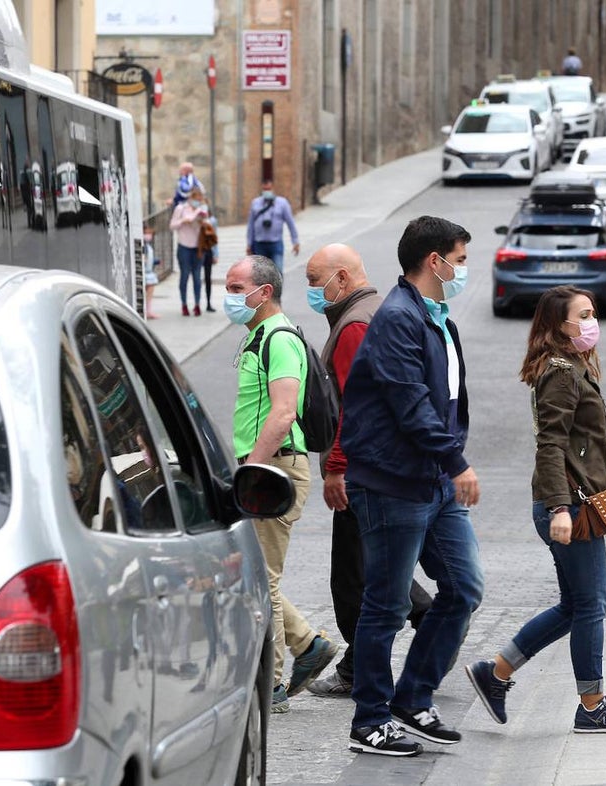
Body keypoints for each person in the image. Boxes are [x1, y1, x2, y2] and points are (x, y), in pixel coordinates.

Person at [465, 285, 606, 734]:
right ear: (560, 324)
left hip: (573, 503)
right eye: (585, 315)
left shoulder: (573, 366)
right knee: (592, 604)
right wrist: (559, 507)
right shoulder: (560, 372)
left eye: (593, 314)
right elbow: (552, 444)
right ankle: (592, 705)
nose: (593, 323)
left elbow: (595, 443)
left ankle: (494, 673)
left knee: (576, 606)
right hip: (570, 507)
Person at [339, 216, 484, 758]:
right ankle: (370, 719)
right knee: (386, 604)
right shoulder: (399, 317)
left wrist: (448, 463)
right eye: (460, 259)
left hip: (433, 480)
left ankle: (411, 698)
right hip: (394, 482)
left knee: (464, 587)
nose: (463, 269)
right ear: (434, 261)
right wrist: (457, 461)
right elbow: (410, 403)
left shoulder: (436, 316)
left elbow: (447, 399)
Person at [302, 244, 433, 700]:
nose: (312, 290)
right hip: (383, 466)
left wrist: (337, 467)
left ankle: (361, 670)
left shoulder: (356, 323)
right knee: (378, 565)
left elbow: (353, 406)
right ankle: (428, 625)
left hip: (363, 470)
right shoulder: (372, 311)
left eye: (315, 280)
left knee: (355, 577)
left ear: (341, 278)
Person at [225, 255, 339, 714]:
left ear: (264, 292)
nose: (230, 297)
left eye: (236, 288)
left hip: (274, 470)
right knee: (257, 573)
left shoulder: (280, 340)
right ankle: (307, 645)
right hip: (266, 465)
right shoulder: (258, 336)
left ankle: (271, 684)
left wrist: (250, 470)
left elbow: (283, 412)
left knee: (262, 580)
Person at [246, 178, 301, 289]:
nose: (267, 190)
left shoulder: (282, 203)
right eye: (265, 188)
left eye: (269, 188)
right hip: (259, 243)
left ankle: (277, 298)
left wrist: (295, 241)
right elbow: (251, 224)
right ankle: (263, 299)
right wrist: (249, 243)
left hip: (275, 243)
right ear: (262, 188)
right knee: (260, 274)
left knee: (278, 271)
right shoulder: (256, 203)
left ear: (273, 188)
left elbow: (290, 222)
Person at [170, 186, 208, 316]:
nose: (198, 201)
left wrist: (202, 221)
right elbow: (172, 225)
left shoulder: (201, 210)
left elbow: (206, 226)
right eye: (195, 198)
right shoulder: (181, 208)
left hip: (198, 247)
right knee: (185, 275)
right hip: (184, 246)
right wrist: (183, 221)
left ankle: (197, 304)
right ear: (190, 197)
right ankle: (184, 304)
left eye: (200, 199)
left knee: (197, 277)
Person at [142, 224, 159, 320]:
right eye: (147, 233)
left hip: (148, 271)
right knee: (147, 293)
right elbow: (144, 258)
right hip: (146, 272)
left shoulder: (147, 245)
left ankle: (148, 311)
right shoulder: (143, 244)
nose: (149, 235)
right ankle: (147, 311)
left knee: (149, 292)